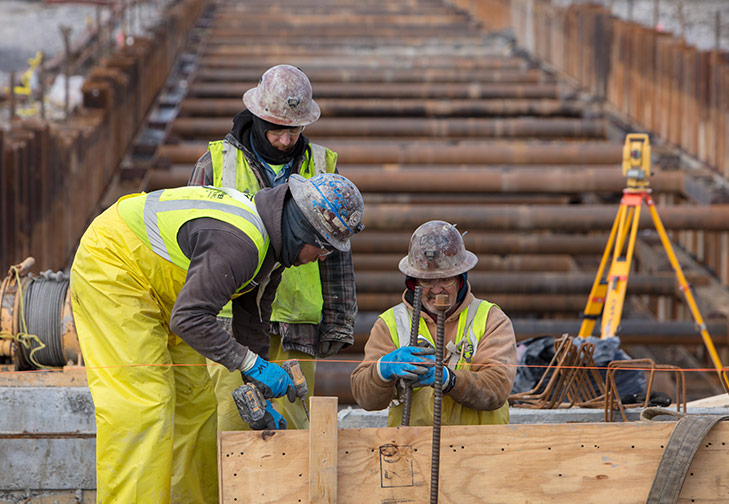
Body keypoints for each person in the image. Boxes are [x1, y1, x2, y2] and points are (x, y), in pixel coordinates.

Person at [70, 173, 364, 503]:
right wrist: (252, 364)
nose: (324, 257)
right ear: (302, 229)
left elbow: (252, 319)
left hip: (165, 288)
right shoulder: (240, 243)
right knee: (145, 407)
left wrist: (259, 388)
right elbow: (189, 319)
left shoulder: (272, 249)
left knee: (196, 406)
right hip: (114, 266)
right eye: (324, 246)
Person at [188, 64, 356, 430]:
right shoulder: (216, 163)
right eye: (277, 130)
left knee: (293, 427)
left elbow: (338, 248)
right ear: (258, 117)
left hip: (297, 322)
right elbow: (193, 243)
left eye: (294, 130)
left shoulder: (323, 166)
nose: (285, 140)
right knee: (232, 425)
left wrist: (339, 319)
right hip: (230, 320)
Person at [350, 220, 517, 426]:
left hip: (480, 449)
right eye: (426, 281)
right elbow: (365, 397)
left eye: (445, 280)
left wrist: (449, 380)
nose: (436, 290)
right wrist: (383, 369)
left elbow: (496, 388)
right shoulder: (392, 323)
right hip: (413, 450)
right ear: (413, 283)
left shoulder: (490, 319)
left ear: (461, 279)